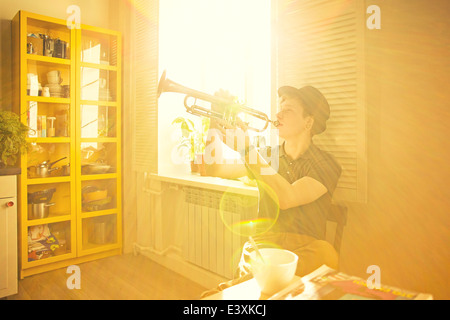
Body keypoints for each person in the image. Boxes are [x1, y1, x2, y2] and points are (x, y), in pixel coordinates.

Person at [202, 85, 342, 296]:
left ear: (308, 122)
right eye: (279, 108)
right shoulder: (266, 156)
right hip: (264, 246)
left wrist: (247, 150)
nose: (277, 114)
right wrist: (214, 117)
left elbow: (287, 197)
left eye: (287, 110)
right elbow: (214, 168)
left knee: (327, 255)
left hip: (308, 249)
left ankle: (232, 291)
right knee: (265, 274)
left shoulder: (326, 164)